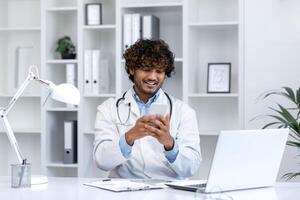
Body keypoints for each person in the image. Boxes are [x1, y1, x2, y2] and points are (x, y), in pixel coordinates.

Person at [93, 39, 201, 179]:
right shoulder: (108, 108)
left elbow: (191, 168)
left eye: (159, 71)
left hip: (168, 191)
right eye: (146, 69)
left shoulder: (184, 111)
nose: (152, 77)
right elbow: (101, 161)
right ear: (132, 69)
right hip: (125, 191)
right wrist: (130, 136)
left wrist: (169, 143)